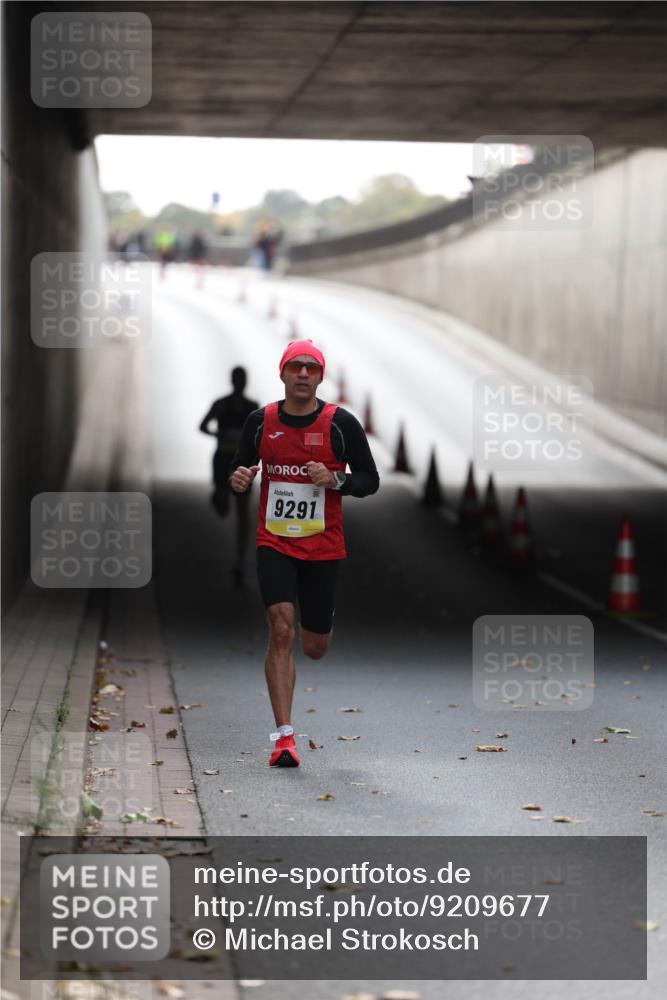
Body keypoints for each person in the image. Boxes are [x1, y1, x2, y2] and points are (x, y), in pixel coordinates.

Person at [229, 340, 379, 767]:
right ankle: (284, 738)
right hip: (274, 541)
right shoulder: (261, 422)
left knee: (314, 646)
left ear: (320, 377)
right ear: (282, 373)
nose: (302, 374)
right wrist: (237, 479)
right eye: (295, 366)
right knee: (281, 628)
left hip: (323, 546)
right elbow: (239, 468)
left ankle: (321, 622)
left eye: (311, 368)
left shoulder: (340, 424)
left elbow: (370, 479)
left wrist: (336, 480)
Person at [200, 368, 258, 583]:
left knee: (243, 512)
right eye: (237, 379)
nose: (240, 383)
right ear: (232, 381)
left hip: (242, 463)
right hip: (222, 460)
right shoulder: (221, 404)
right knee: (223, 508)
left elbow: (261, 433)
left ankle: (240, 560)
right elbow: (202, 426)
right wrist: (218, 434)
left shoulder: (252, 407)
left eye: (242, 380)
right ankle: (218, 495)